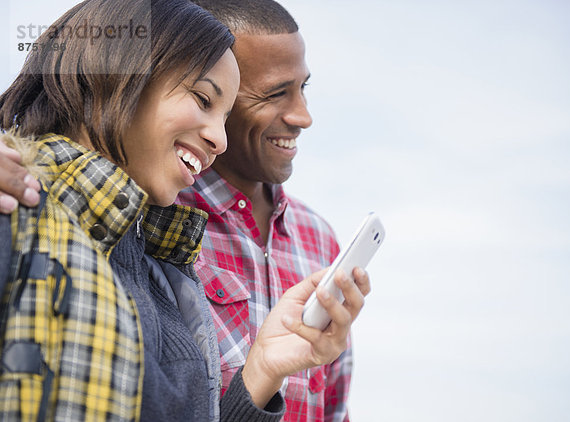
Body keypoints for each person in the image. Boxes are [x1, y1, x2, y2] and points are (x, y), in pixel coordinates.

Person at [0, 0, 369, 421]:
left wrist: (263, 370)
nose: (219, 138)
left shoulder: (165, 274)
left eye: (224, 114)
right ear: (116, 75)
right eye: (203, 99)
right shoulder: (18, 209)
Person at [175, 1, 355, 420]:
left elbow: (333, 407)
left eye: (302, 88)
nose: (303, 116)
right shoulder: (156, 219)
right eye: (276, 94)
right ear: (211, 98)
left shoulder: (319, 237)